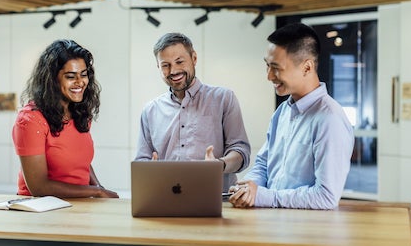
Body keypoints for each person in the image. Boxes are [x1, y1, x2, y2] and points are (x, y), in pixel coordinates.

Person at [229, 23, 354, 209]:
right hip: (274, 226)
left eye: (276, 67)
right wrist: (249, 188)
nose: (269, 76)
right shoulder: (282, 112)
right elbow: (264, 164)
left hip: (306, 233)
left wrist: (265, 197)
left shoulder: (330, 118)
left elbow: (326, 197)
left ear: (307, 67)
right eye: (267, 66)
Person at [134, 32, 251, 192]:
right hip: (165, 197)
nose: (173, 70)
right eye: (165, 65)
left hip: (215, 198)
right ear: (158, 67)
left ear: (194, 58)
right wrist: (150, 171)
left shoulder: (223, 98)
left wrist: (219, 165)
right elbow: (142, 161)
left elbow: (241, 152)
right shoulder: (150, 110)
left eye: (179, 62)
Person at [12, 39, 118, 198]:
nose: (80, 82)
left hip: (78, 205)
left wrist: (97, 186)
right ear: (52, 79)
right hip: (41, 211)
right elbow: (39, 187)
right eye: (70, 76)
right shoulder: (30, 120)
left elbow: (81, 163)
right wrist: (96, 191)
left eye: (84, 75)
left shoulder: (79, 112)